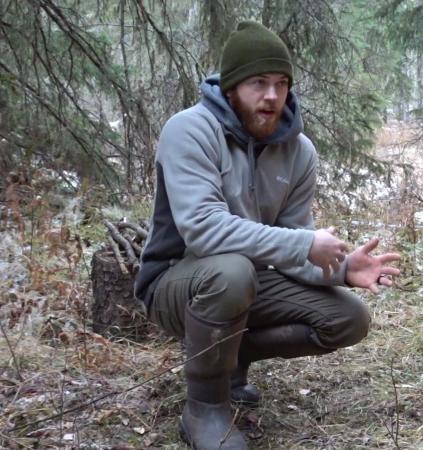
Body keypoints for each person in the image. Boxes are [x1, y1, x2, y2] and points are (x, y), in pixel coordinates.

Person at [133, 20, 401, 450]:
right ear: (232, 86)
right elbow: (203, 230)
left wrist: (341, 269)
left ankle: (230, 358)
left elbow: (294, 245)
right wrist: (303, 244)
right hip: (175, 281)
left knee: (348, 320)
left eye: (281, 83)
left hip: (248, 281)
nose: (272, 96)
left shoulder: (299, 151)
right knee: (232, 272)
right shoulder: (189, 129)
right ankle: (205, 408)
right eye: (258, 83)